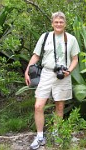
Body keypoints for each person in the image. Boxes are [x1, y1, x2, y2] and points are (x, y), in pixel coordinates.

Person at [24, 11, 80, 150]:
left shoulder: (71, 39)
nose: (59, 24)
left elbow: (75, 59)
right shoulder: (45, 37)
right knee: (38, 106)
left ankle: (55, 133)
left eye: (61, 22)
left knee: (60, 106)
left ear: (65, 24)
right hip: (46, 73)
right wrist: (27, 70)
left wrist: (69, 71)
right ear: (52, 23)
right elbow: (36, 55)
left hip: (63, 76)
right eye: (56, 22)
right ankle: (40, 136)